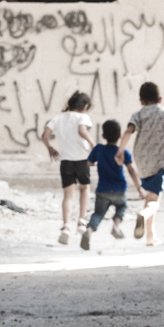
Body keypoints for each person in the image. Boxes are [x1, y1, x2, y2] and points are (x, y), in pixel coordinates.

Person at [121, 82, 164, 247]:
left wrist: (120, 150)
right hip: (159, 162)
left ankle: (150, 236)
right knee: (154, 202)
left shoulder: (139, 115)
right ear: (160, 99)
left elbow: (129, 130)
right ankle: (143, 215)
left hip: (142, 163)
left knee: (150, 196)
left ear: (140, 100)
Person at [40, 91, 96, 245]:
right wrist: (92, 144)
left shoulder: (57, 118)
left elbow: (45, 135)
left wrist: (49, 148)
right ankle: (81, 221)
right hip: (82, 160)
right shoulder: (83, 117)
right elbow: (82, 131)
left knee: (68, 195)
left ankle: (65, 226)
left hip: (66, 161)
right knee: (84, 189)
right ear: (85, 106)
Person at [79, 119, 133, 251]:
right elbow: (132, 170)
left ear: (103, 136)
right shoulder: (123, 153)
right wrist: (139, 188)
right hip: (119, 189)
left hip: (102, 189)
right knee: (122, 206)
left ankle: (89, 231)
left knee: (98, 213)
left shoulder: (99, 149)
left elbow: (89, 163)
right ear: (120, 136)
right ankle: (116, 226)